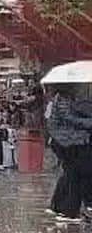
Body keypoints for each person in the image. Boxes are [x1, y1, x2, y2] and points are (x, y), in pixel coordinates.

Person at [45, 85, 92, 222]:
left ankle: (59, 207)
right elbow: (70, 118)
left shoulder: (65, 99)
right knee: (76, 175)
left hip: (69, 141)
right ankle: (69, 211)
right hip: (69, 142)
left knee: (70, 174)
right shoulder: (63, 100)